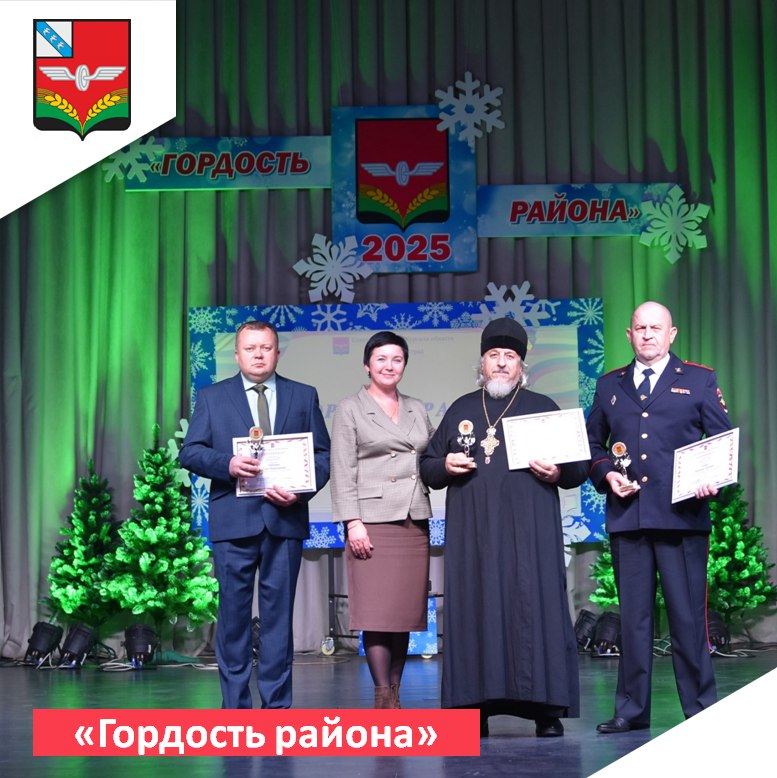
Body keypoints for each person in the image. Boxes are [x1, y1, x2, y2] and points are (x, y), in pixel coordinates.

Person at [419, 317, 587, 737]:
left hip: (531, 535)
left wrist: (558, 471)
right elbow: (428, 467)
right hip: (474, 537)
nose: (500, 363)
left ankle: (546, 709)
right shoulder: (461, 409)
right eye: (493, 355)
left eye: (509, 356)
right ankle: (473, 709)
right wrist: (445, 464)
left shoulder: (543, 407)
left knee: (536, 608)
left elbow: (578, 469)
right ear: (482, 362)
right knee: (476, 610)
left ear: (521, 365)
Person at [586, 301, 732, 733]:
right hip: (629, 518)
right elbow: (591, 445)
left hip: (682, 520)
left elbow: (722, 441)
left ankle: (701, 709)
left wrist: (712, 479)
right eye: (640, 328)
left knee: (687, 620)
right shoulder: (609, 385)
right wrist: (607, 474)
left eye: (656, 328)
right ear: (629, 335)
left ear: (672, 334)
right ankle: (631, 711)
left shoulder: (699, 380)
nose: (647, 334)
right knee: (633, 621)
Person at [179, 320, 330, 709]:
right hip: (234, 523)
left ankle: (277, 707)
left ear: (277, 353)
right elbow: (190, 452)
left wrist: (300, 491)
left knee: (279, 621)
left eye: (266, 348)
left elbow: (322, 456)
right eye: (250, 348)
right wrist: (227, 464)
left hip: (285, 521)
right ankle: (236, 709)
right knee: (233, 620)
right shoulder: (212, 397)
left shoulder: (303, 395)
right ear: (237, 354)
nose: (258, 355)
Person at [330, 331, 434, 708]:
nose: (389, 366)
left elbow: (432, 456)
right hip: (371, 521)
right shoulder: (350, 408)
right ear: (367, 365)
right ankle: (381, 696)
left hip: (413, 519)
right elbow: (342, 470)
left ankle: (396, 692)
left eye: (397, 359)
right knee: (376, 612)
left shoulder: (417, 408)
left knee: (403, 613)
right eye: (381, 359)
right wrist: (352, 522)